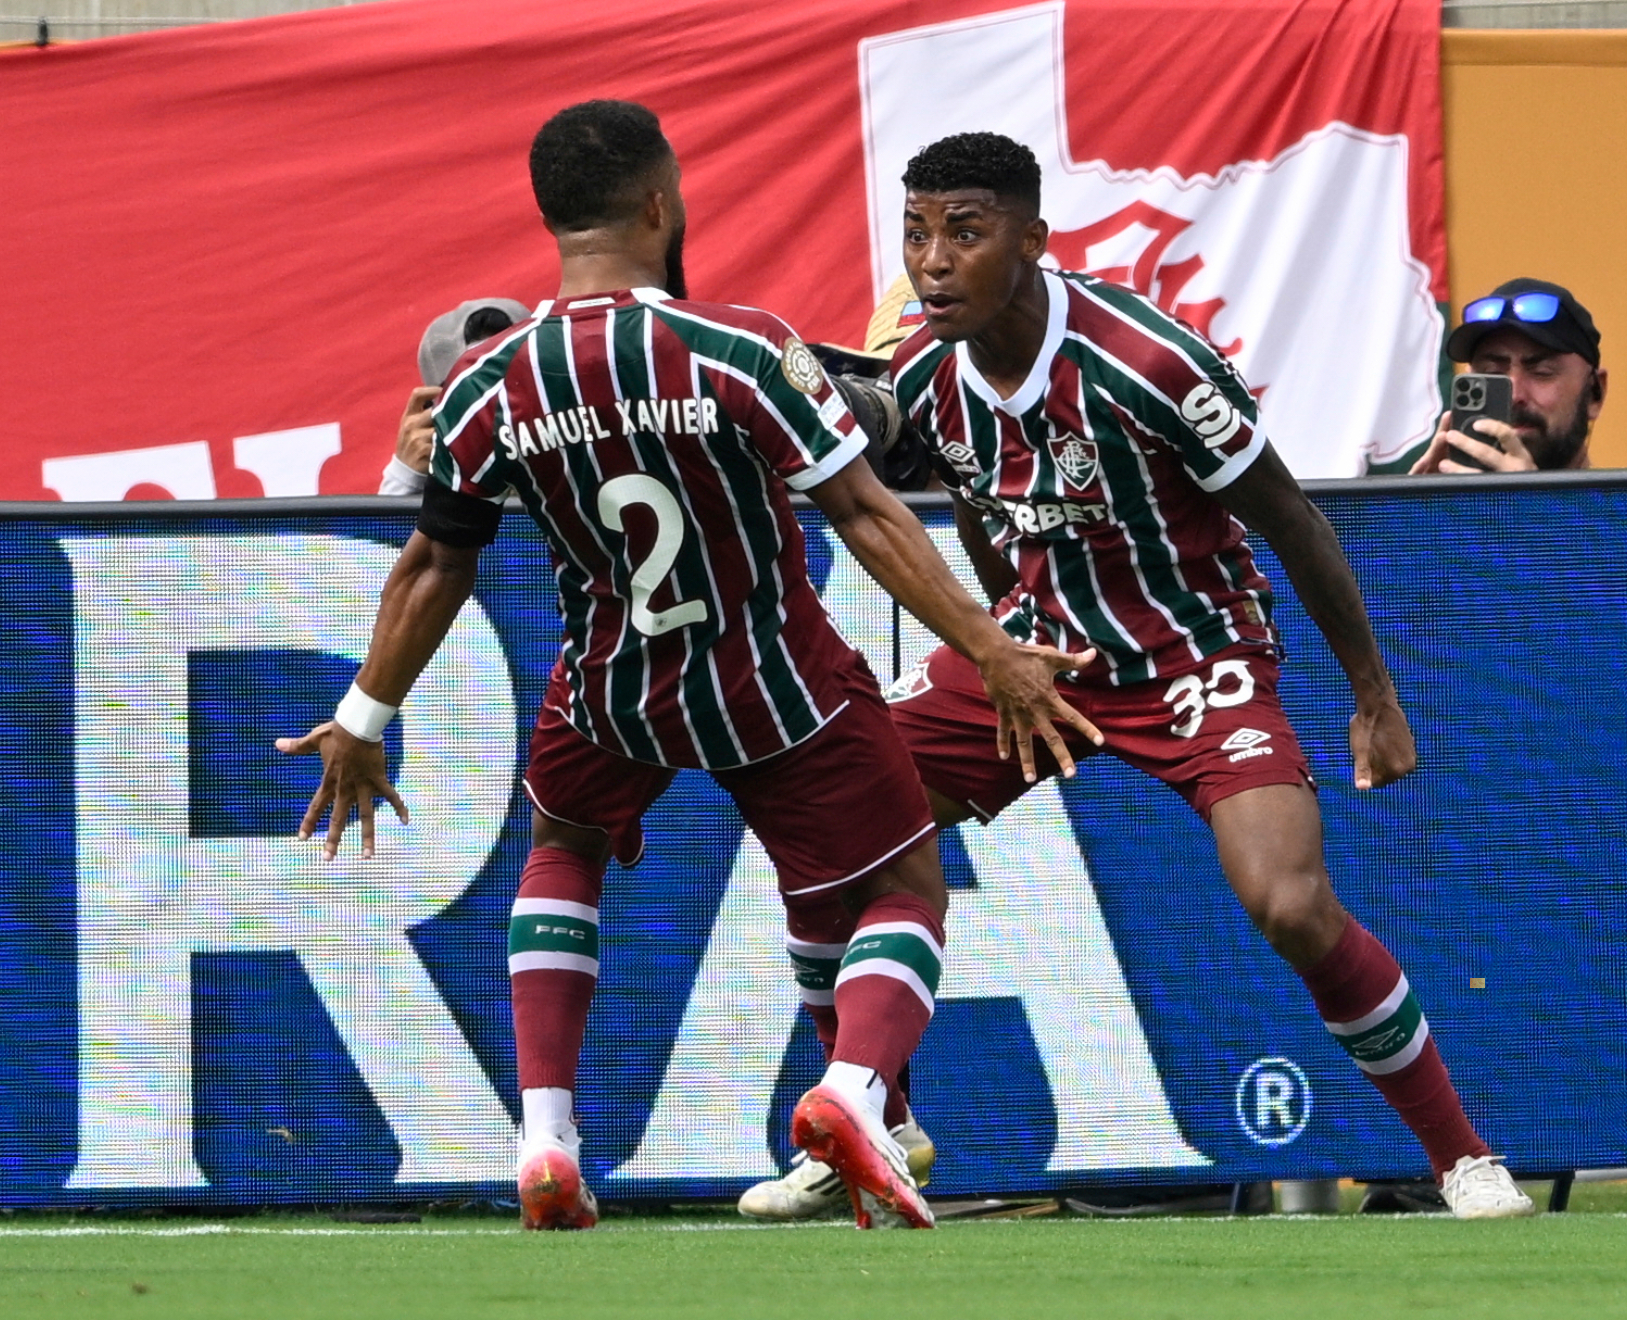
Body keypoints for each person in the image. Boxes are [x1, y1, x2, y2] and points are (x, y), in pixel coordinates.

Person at [280, 101, 1099, 1232]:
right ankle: (854, 1091)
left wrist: (364, 718)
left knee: (563, 847)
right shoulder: (741, 346)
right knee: (902, 888)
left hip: (611, 689)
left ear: (551, 218)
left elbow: (433, 565)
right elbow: (868, 514)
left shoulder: (487, 383)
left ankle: (546, 1137)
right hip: (773, 684)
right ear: (661, 205)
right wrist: (992, 648)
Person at [750, 131, 1532, 1220]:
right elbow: (977, 503)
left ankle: (1464, 1160)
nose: (932, 261)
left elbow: (1293, 520)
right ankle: (876, 1123)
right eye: (916, 234)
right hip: (1048, 654)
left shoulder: (1150, 362)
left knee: (1290, 904)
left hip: (1193, 658)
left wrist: (1373, 693)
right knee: (839, 831)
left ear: (1033, 240)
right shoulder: (925, 373)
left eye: (964, 233)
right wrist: (1006, 637)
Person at [1410, 278, 1606, 475]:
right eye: (1492, 374)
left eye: (1542, 372)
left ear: (1595, 394)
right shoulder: (1434, 494)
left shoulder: (1623, 495)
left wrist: (1526, 495)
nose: (1514, 395)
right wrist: (1420, 494)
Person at [380, 298, 530, 495]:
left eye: (510, 385)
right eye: (471, 394)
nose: (492, 410)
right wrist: (405, 478)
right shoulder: (442, 483)